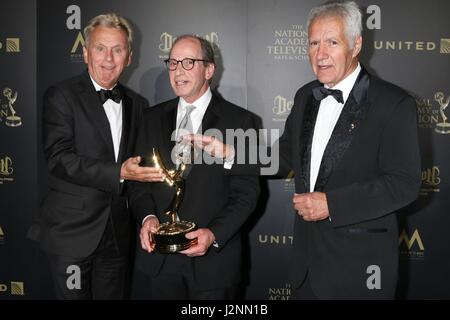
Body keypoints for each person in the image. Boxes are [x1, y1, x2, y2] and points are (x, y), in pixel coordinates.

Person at [193, 1, 421, 299]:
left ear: (356, 45)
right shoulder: (306, 96)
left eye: (332, 42)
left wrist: (332, 204)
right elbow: (284, 155)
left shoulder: (393, 104)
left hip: (362, 271)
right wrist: (233, 154)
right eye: (314, 42)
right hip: (306, 268)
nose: (320, 54)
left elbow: (404, 184)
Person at [32, 13, 163, 299]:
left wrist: (149, 216)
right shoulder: (61, 96)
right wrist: (118, 173)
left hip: (117, 237)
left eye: (118, 50)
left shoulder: (137, 105)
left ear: (129, 57)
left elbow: (138, 173)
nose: (108, 58)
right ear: (85, 52)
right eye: (100, 48)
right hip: (72, 236)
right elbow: (58, 158)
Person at [129, 34, 260, 299]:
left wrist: (213, 234)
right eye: (173, 63)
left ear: (209, 69)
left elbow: (247, 194)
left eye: (189, 62)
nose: (178, 71)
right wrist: (148, 217)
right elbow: (137, 182)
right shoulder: (149, 118)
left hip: (213, 265)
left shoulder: (240, 121)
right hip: (159, 264)